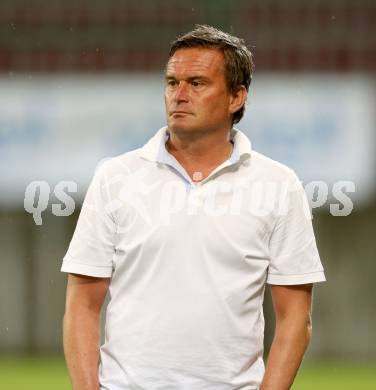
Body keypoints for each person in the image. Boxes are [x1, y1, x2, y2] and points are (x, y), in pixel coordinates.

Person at [62, 24, 325, 390]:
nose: (179, 95)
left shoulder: (279, 185)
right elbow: (81, 305)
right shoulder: (115, 178)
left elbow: (296, 318)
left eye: (197, 83)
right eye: (172, 82)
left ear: (237, 97)